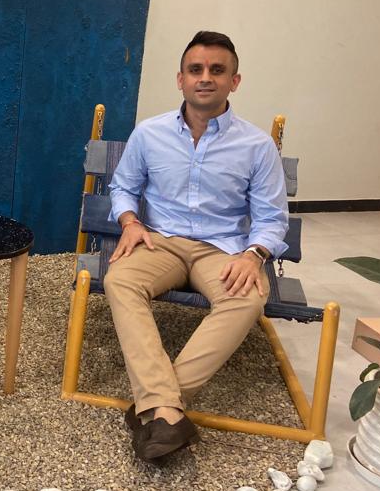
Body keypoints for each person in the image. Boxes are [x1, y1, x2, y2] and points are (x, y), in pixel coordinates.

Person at [104, 31, 288, 461]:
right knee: (120, 280)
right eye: (196, 69)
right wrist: (129, 222)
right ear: (181, 79)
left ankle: (159, 405)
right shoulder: (149, 134)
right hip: (160, 242)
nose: (205, 77)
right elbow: (123, 187)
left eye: (217, 70)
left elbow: (271, 218)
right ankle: (168, 409)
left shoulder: (257, 146)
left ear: (234, 81)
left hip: (221, 250)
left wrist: (254, 255)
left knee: (247, 297)